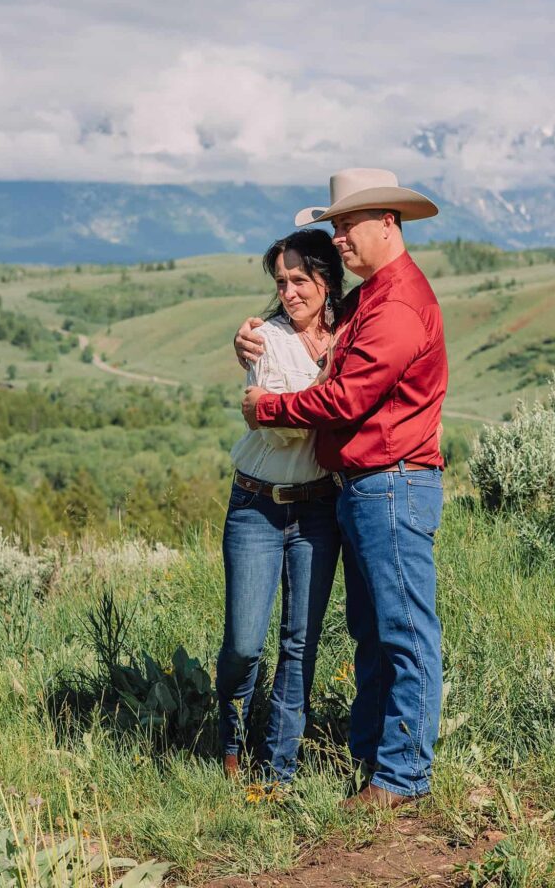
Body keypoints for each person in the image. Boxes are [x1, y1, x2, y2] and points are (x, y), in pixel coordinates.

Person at [239, 168, 448, 809]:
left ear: (388, 223)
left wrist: (265, 408)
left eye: (348, 225)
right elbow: (311, 323)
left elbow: (348, 395)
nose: (340, 239)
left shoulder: (398, 306)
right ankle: (372, 756)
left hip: (389, 485)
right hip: (365, 488)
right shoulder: (372, 297)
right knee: (373, 629)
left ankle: (402, 776)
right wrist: (255, 335)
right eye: (335, 226)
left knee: (403, 631)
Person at [217, 228, 344, 784]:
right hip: (257, 505)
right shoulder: (264, 339)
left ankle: (279, 769)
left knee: (300, 643)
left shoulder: (350, 331)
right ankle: (232, 733)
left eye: (299, 279)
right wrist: (334, 394)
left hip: (319, 507)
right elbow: (283, 432)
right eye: (281, 282)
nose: (290, 292)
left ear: (326, 278)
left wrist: (284, 405)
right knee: (245, 643)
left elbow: (278, 411)